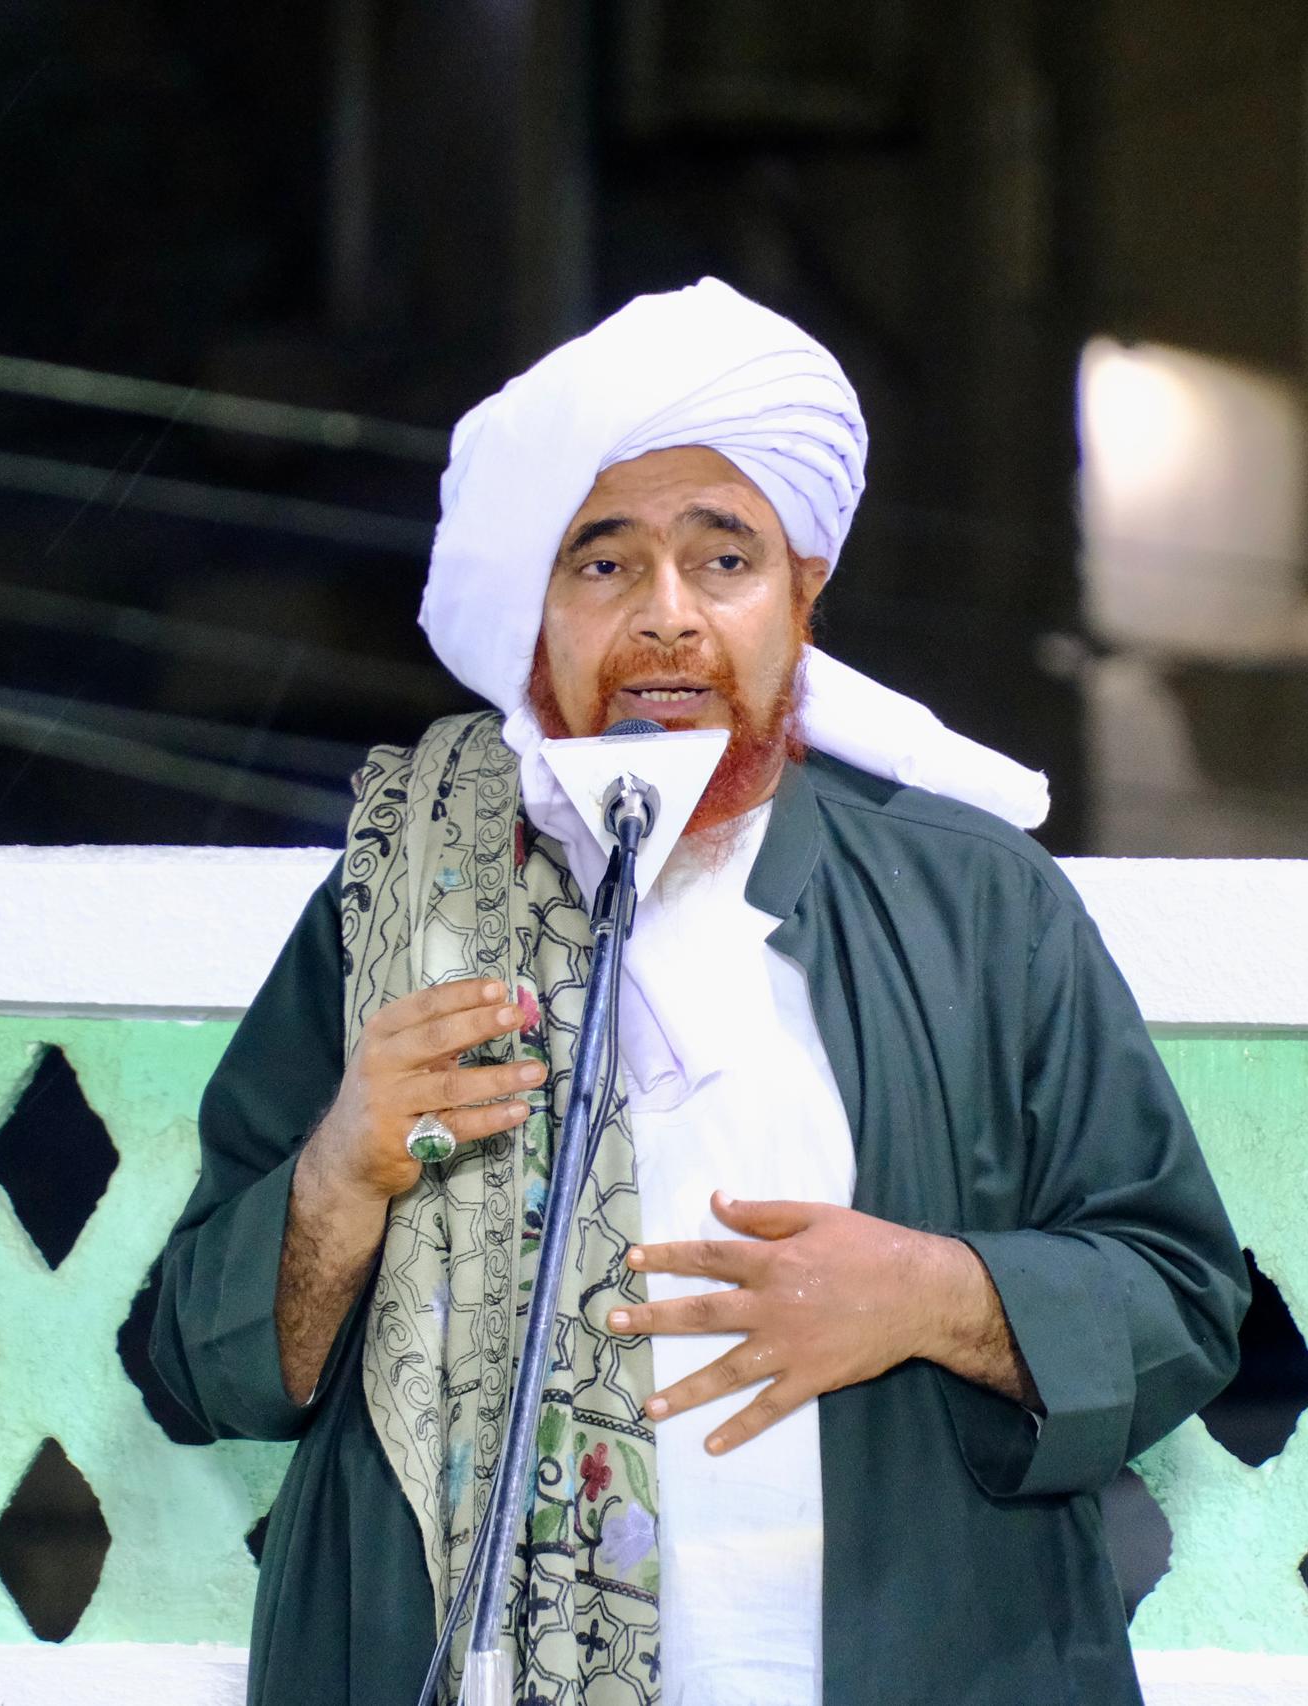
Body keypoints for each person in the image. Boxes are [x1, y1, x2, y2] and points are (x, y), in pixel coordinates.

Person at [147, 278, 1248, 1706]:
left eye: (722, 560)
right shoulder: (401, 904)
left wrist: (931, 1294)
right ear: (536, 614)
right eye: (603, 564)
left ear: (800, 598)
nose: (666, 618)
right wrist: (342, 1172)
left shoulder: (978, 905)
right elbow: (200, 1364)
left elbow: (1180, 1298)